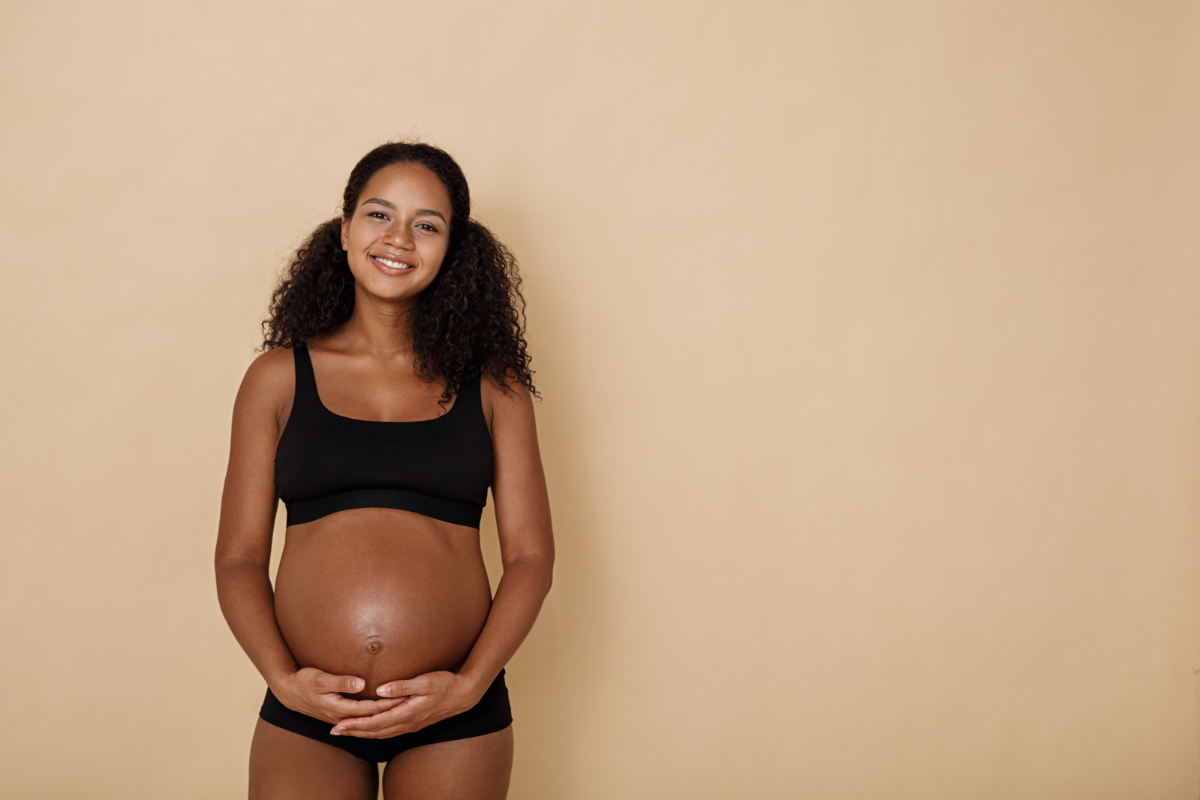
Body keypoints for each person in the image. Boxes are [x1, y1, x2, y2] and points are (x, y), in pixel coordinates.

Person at [214, 142, 554, 800]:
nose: (399, 237)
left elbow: (533, 558)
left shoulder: (494, 389)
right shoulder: (277, 380)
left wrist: (469, 686)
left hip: (457, 714)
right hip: (309, 711)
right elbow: (237, 559)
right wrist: (284, 680)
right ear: (343, 232)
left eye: (427, 223)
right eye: (379, 214)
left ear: (453, 249)